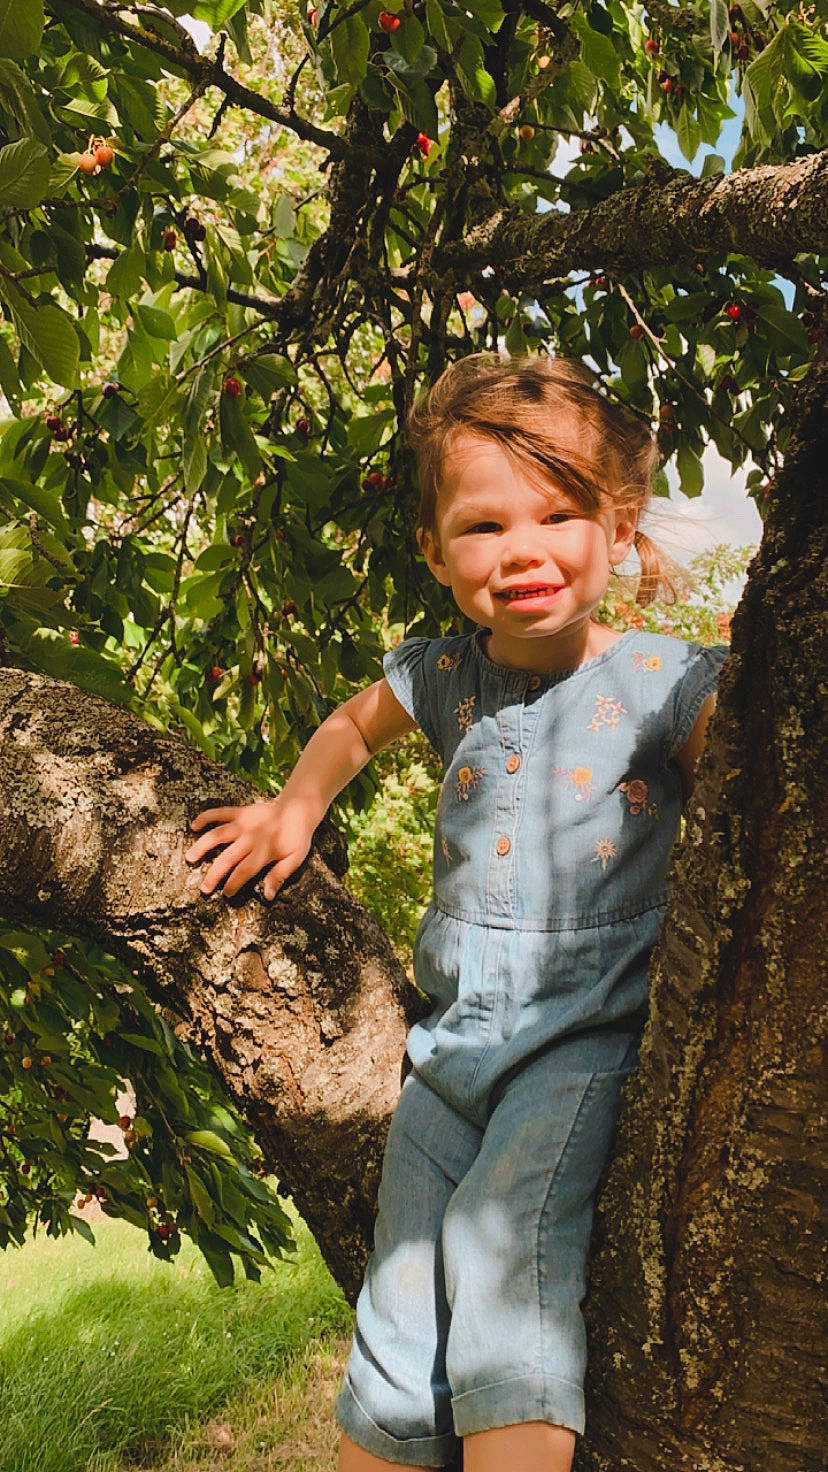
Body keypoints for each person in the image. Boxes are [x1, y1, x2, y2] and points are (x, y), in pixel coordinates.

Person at [185, 354, 727, 1472]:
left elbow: (763, 772)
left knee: (507, 1269)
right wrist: (295, 807)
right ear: (433, 550)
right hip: (447, 1046)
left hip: (579, 1045)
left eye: (561, 513)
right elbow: (350, 721)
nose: (521, 549)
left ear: (619, 529)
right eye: (481, 526)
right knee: (394, 1307)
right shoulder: (444, 675)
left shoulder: (668, 680)